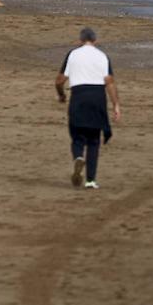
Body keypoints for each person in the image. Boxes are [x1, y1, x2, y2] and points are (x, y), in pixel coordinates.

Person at [55, 27, 120, 190]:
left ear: (80, 40)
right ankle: (90, 180)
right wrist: (115, 105)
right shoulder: (102, 56)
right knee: (94, 140)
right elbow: (109, 82)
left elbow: (60, 80)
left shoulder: (73, 54)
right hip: (97, 97)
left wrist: (61, 95)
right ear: (95, 41)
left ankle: (78, 157)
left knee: (77, 136)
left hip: (79, 95)